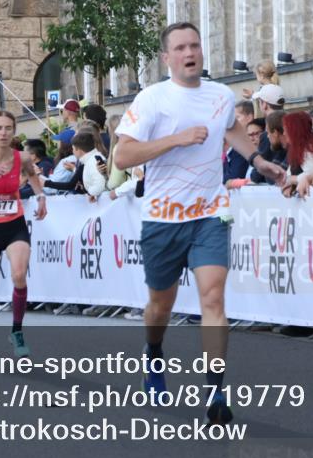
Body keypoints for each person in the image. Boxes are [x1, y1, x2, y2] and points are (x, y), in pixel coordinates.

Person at [113, 22, 286, 426]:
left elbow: (230, 130)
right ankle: (153, 353)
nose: (190, 53)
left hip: (209, 212)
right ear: (167, 57)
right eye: (181, 47)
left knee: (213, 299)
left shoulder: (220, 95)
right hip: (163, 217)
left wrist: (259, 160)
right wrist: (175, 139)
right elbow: (122, 157)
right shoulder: (153, 99)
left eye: (195, 45)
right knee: (161, 306)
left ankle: (215, 390)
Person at [0, 109, 48, 360]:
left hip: (14, 223)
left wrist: (41, 197)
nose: (3, 133)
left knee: (18, 274)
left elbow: (34, 175)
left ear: (14, 131)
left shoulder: (21, 157)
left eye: (8, 128)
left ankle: (16, 330)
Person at [280, 111, 313, 196]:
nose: (284, 133)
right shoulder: (298, 150)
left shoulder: (309, 151)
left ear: (295, 130)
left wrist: (292, 180)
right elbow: (287, 177)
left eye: (286, 130)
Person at [250, 111, 288, 184]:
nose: (267, 136)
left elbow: (277, 178)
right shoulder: (279, 152)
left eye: (268, 133)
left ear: (275, 133)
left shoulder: (293, 151)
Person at [72, 131, 108, 200]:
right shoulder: (90, 160)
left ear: (78, 149)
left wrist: (90, 193)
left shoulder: (93, 161)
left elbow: (100, 185)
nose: (72, 151)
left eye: (73, 149)